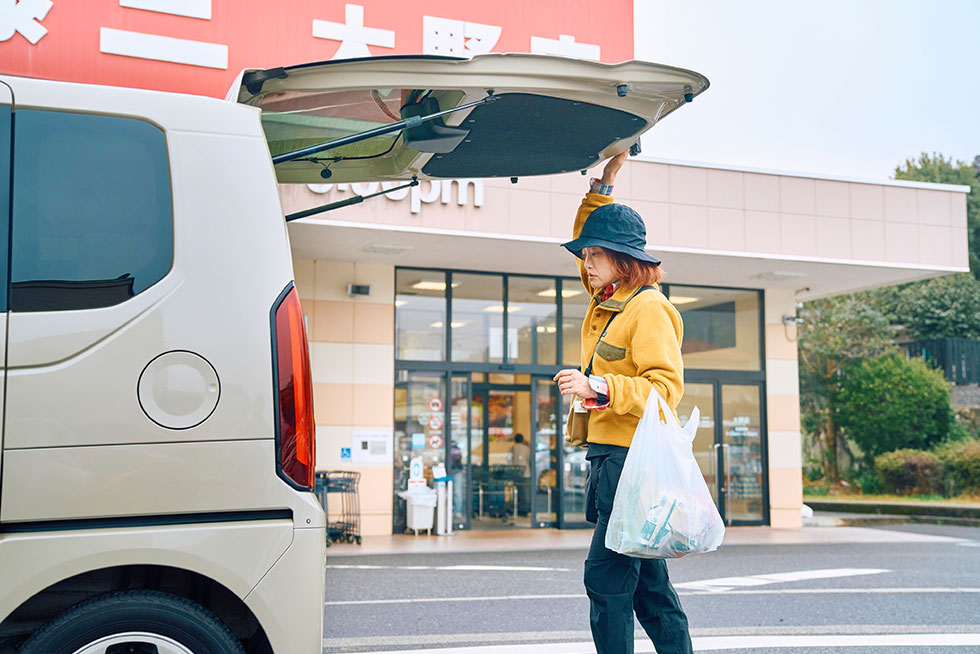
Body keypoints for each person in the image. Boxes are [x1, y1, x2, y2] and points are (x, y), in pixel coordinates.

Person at [553, 151, 692, 654]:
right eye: (585, 255)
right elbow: (585, 245)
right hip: (615, 461)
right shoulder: (608, 298)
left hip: (633, 464)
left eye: (594, 255)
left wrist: (601, 387)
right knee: (651, 591)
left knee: (606, 579)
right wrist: (604, 184)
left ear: (623, 259)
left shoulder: (649, 309)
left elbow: (665, 389)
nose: (585, 264)